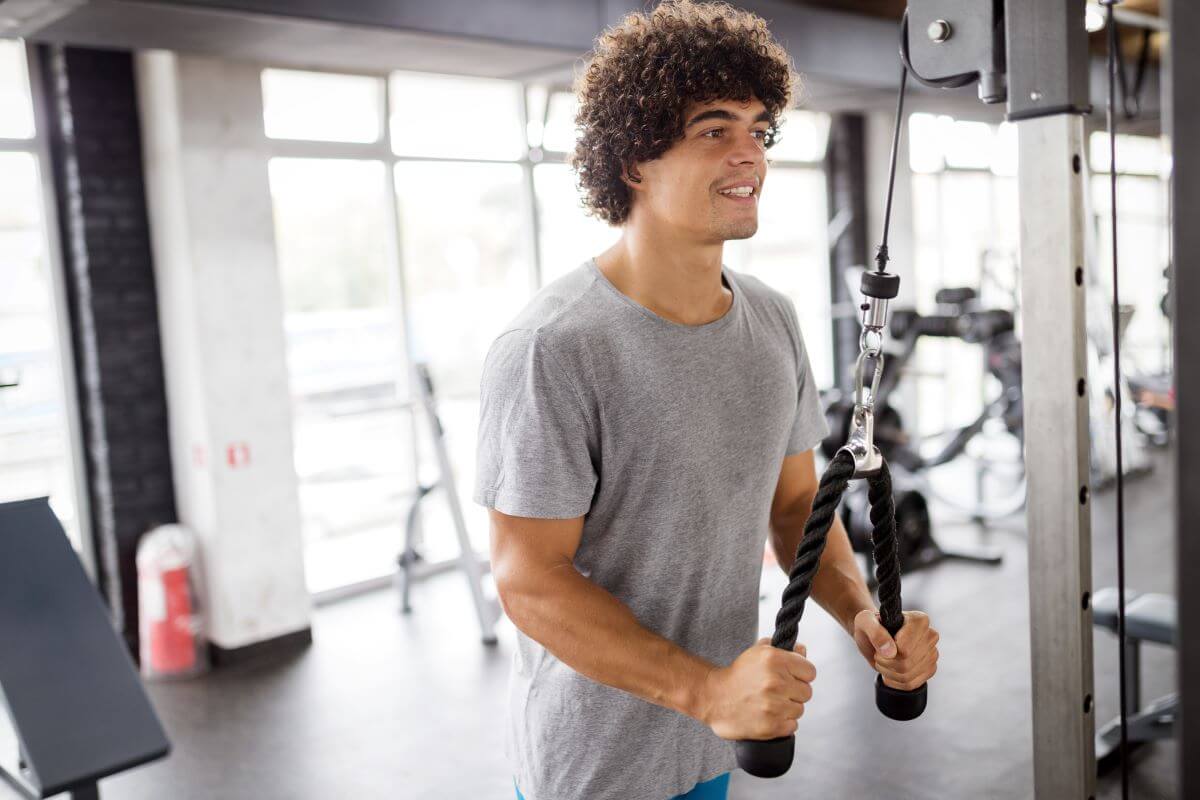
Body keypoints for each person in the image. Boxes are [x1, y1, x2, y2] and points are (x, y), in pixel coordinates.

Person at [473, 2, 939, 798]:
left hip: (716, 746)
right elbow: (528, 578)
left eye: (759, 131)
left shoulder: (772, 320)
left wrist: (861, 614)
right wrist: (708, 692)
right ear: (632, 162)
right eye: (713, 130)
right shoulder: (553, 348)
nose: (748, 156)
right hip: (596, 764)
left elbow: (797, 507)